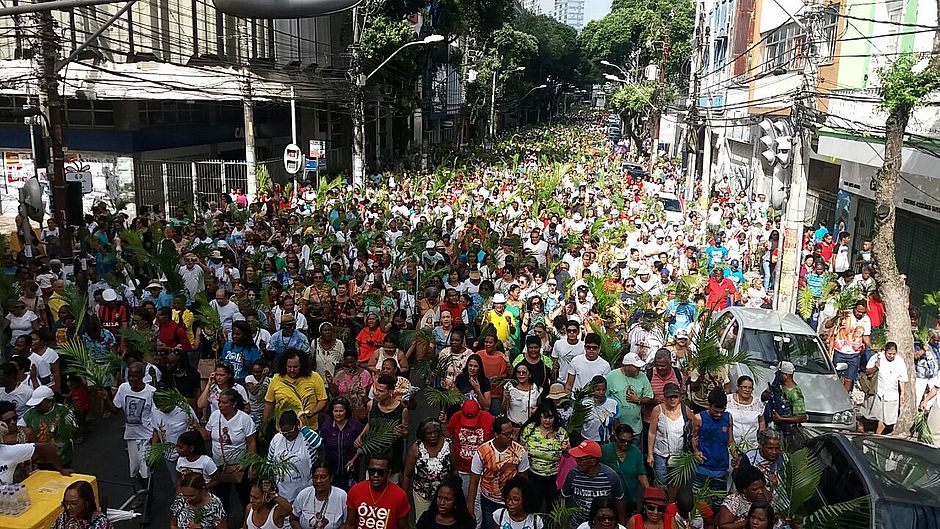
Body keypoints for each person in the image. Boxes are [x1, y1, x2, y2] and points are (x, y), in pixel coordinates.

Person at [191, 388, 257, 513]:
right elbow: (207, 437)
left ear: (234, 403)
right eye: (219, 402)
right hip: (219, 466)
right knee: (221, 498)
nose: (220, 405)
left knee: (244, 497)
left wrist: (249, 463)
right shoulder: (215, 416)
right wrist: (198, 427)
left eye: (224, 402)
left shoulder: (244, 419)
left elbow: (251, 442)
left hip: (238, 466)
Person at [467, 417, 530, 529]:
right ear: (496, 434)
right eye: (507, 434)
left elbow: (524, 481)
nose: (511, 437)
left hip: (511, 503)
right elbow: (473, 482)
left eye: (512, 433)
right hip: (489, 501)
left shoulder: (520, 452)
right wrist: (470, 508)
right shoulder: (483, 451)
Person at [105, 361, 156, 489]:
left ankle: (147, 499)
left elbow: (157, 418)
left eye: (135, 376)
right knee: (135, 469)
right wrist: (106, 398)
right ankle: (141, 493)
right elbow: (115, 410)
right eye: (130, 376)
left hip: (146, 437)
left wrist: (154, 442)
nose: (132, 379)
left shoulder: (151, 392)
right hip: (131, 436)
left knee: (146, 471)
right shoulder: (123, 388)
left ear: (143, 376)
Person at [562, 439, 625, 529]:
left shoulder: (610, 476)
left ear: (593, 461)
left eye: (581, 459)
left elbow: (619, 501)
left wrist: (621, 524)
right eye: (577, 458)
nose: (577, 461)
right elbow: (564, 497)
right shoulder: (573, 474)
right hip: (576, 524)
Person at [520, 401, 568, 510]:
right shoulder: (530, 429)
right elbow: (521, 448)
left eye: (550, 418)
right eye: (544, 417)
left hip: (554, 476)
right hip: (533, 475)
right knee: (534, 505)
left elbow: (567, 454)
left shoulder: (561, 432)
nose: (547, 421)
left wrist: (565, 450)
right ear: (539, 417)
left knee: (552, 507)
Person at [403, 418, 454, 520]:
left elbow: (454, 470)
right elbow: (407, 475)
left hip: (444, 496)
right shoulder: (416, 448)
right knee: (423, 522)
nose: (433, 435)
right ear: (423, 434)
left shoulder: (448, 445)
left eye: (435, 432)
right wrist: (403, 497)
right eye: (429, 433)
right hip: (422, 495)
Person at [264, 349, 328, 430]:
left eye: (295, 367)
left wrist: (313, 412)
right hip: (284, 430)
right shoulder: (276, 378)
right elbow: (268, 404)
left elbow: (323, 400)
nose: (292, 370)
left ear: (302, 365)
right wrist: (264, 426)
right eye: (289, 367)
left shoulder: (314, 377)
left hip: (308, 429)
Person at [268, 410, 323, 502]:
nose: (287, 435)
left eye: (290, 431)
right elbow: (269, 462)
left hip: (305, 489)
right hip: (283, 490)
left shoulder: (306, 436)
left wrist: (303, 428)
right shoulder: (277, 439)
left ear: (297, 425)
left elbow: (317, 443)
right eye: (284, 432)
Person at [344, 454, 411, 529]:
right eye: (372, 471)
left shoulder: (399, 495)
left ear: (388, 473)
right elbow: (350, 524)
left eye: (381, 472)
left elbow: (403, 527)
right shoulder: (355, 491)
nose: (375, 475)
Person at [692, 389, 736, 501]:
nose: (719, 414)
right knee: (699, 501)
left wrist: (735, 456)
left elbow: (730, 441)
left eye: (722, 411)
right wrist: (696, 451)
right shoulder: (699, 418)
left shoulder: (728, 417)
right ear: (709, 405)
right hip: (703, 467)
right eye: (716, 411)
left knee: (718, 502)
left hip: (721, 467)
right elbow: (694, 437)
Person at [646, 383, 691, 490]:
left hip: (679, 454)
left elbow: (696, 426)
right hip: (661, 454)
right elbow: (652, 432)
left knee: (675, 484)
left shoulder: (685, 410)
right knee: (661, 484)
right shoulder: (658, 410)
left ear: (679, 397)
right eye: (670, 397)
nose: (672, 399)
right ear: (665, 397)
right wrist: (650, 454)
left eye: (675, 396)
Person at [860, 342, 909, 434]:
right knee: (869, 413)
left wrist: (902, 393)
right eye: (889, 354)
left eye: (893, 354)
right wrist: (875, 367)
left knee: (887, 418)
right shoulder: (878, 357)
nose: (891, 356)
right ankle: (862, 425)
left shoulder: (900, 361)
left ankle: (877, 435)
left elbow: (902, 379)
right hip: (877, 392)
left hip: (891, 394)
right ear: (885, 351)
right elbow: (867, 372)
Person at [22, 385, 76, 465]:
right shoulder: (30, 413)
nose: (36, 407)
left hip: (60, 458)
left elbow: (62, 440)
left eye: (39, 404)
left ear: (50, 401)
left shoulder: (63, 412)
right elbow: (19, 428)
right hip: (38, 459)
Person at [319, 398, 365, 491]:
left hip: (351, 471)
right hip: (332, 470)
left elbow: (363, 445)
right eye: (335, 411)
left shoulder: (356, 426)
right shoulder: (326, 426)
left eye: (341, 411)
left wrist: (354, 459)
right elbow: (321, 446)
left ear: (346, 411)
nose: (338, 413)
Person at [601, 424, 649, 513]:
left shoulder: (636, 452)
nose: (626, 444)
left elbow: (642, 475)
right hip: (608, 500)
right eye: (622, 440)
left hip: (629, 498)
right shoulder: (605, 450)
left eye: (629, 442)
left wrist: (649, 496)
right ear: (616, 437)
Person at [605, 353, 653, 437]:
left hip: (635, 429)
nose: (638, 369)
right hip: (616, 429)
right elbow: (604, 398)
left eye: (639, 367)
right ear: (626, 366)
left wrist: (638, 400)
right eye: (635, 367)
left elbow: (649, 397)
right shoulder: (611, 376)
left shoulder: (642, 377)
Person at [292, 463, 349, 529]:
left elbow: (347, 523)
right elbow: (293, 519)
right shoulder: (304, 494)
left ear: (331, 478)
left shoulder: (341, 496)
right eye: (315, 477)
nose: (318, 481)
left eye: (323, 477)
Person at [725, 375, 765, 449]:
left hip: (752, 445)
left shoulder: (757, 403)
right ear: (738, 387)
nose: (747, 390)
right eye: (744, 387)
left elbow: (761, 422)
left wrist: (761, 438)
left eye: (750, 388)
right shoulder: (728, 400)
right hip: (730, 444)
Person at [581, 375, 619, 443]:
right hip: (588, 439)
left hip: (607, 440)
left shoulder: (613, 403)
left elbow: (616, 423)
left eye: (603, 390)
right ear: (592, 389)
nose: (601, 393)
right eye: (598, 390)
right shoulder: (584, 403)